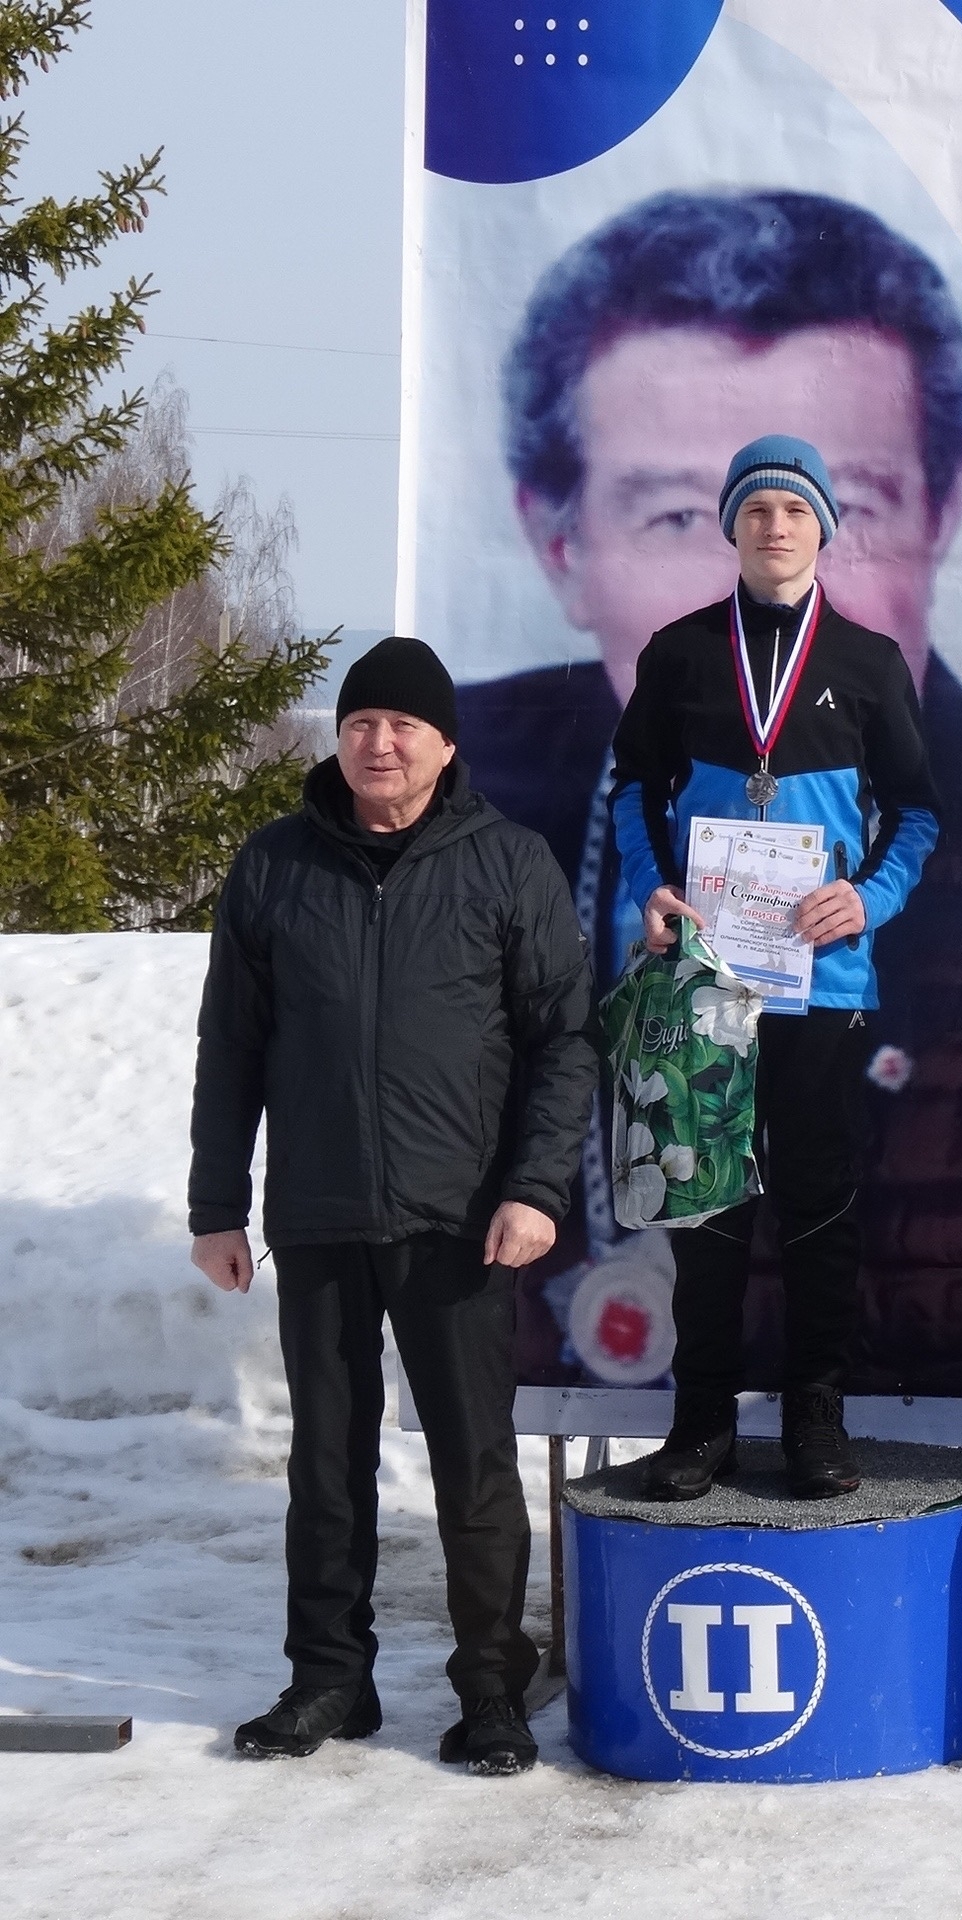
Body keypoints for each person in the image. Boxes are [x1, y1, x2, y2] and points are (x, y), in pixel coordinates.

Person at [477, 188, 962, 1403]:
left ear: (941, 514)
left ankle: (810, 1424)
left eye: (849, 507)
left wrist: (873, 897)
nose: (760, 550)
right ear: (560, 545)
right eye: (674, 514)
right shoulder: (468, 799)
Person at [188, 637, 595, 1776]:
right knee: (325, 1462)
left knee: (473, 1463)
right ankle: (330, 1679)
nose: (379, 743)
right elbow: (231, 1046)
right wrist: (217, 1203)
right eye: (361, 722)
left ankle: (492, 1692)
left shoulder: (506, 863)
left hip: (458, 1218)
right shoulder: (274, 865)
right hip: (318, 1212)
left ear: (445, 745)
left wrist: (534, 1189)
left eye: (404, 725)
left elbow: (564, 1042)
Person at [615, 437, 940, 1501]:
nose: (775, 527)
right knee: (703, 1197)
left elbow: (919, 814)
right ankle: (701, 1420)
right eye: (756, 509)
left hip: (822, 978)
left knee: (817, 1200)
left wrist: (870, 899)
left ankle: (815, 1416)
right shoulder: (677, 654)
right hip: (708, 974)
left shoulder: (868, 663)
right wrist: (653, 890)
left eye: (795, 510)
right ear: (732, 528)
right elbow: (631, 790)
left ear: (824, 529)